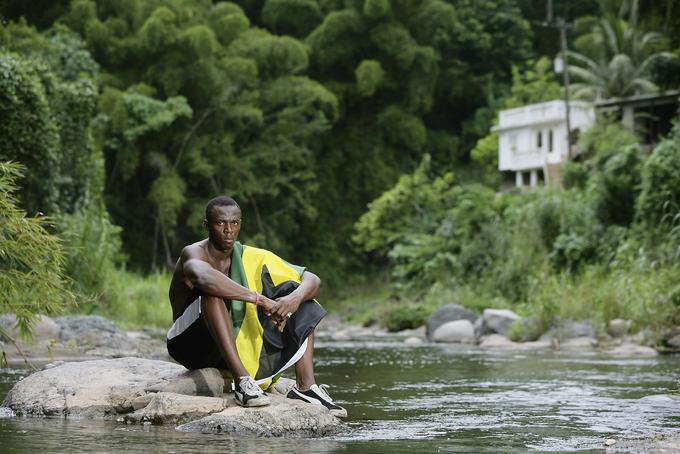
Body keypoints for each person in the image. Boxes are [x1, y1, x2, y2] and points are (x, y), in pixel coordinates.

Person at [166, 196, 346, 417]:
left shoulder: (249, 255)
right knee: (211, 294)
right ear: (206, 225)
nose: (228, 230)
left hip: (228, 346)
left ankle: (305, 387)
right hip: (190, 344)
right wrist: (261, 300)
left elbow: (312, 280)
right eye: (220, 223)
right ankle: (243, 383)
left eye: (235, 223)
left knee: (298, 295)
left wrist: (293, 300)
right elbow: (204, 278)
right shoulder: (193, 253)